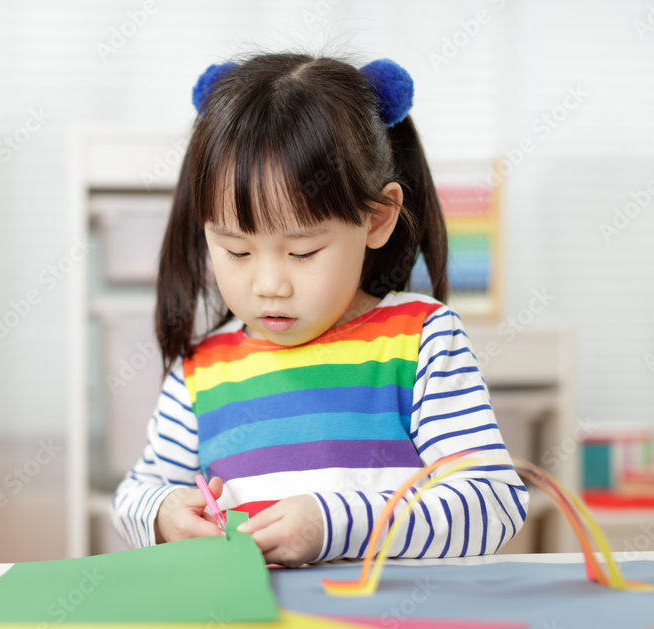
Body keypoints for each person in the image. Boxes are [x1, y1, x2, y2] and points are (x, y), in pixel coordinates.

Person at [110, 52, 528, 566]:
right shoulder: (200, 371)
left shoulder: (420, 339)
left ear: (377, 219)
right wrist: (162, 512)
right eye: (236, 251)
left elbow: (491, 504)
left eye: (303, 252)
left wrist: (339, 525)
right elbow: (135, 492)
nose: (269, 286)